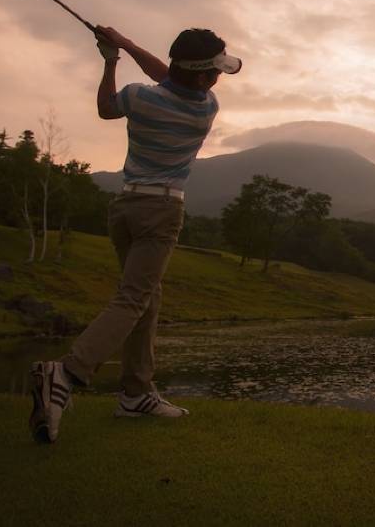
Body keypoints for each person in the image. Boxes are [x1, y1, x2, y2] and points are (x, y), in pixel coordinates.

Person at [28, 25, 241, 444]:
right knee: (133, 298)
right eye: (214, 71)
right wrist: (122, 47)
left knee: (147, 296)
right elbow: (171, 75)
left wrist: (113, 57)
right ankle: (67, 372)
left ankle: (136, 394)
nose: (217, 78)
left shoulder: (140, 98)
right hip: (161, 212)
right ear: (202, 78)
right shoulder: (205, 108)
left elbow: (107, 107)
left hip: (124, 208)